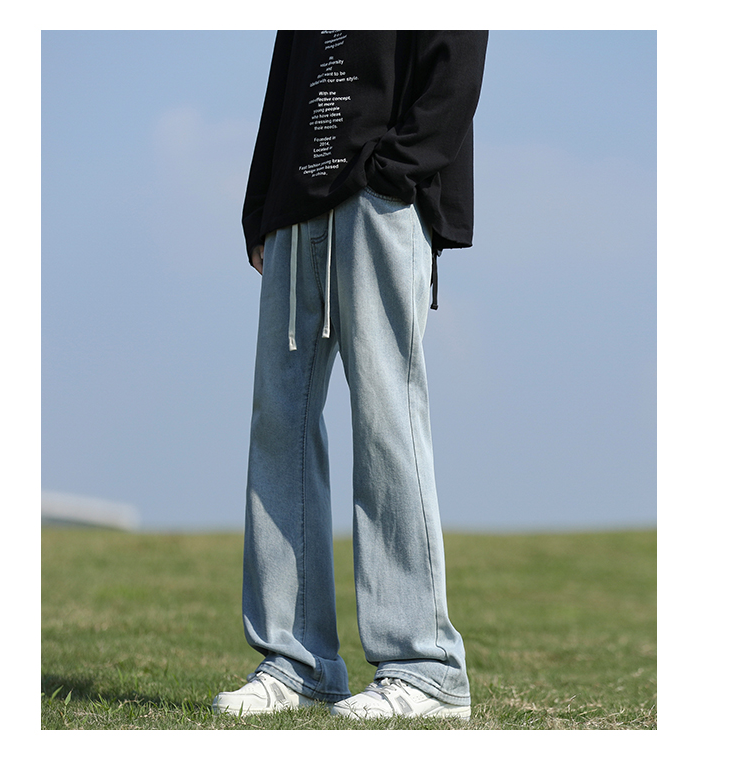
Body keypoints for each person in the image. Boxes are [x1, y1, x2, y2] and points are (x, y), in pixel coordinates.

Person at [213, 30, 489, 719]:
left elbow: (457, 54)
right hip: (294, 205)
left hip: (381, 197)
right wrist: (260, 204)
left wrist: (399, 171)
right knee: (279, 422)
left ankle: (425, 666)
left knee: (386, 419)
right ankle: (296, 661)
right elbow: (288, 69)